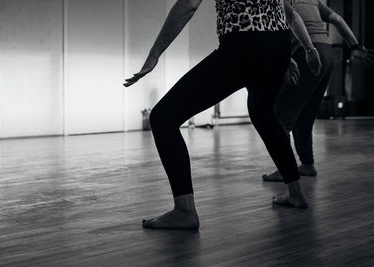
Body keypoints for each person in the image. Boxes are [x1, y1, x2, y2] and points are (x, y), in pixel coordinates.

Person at [124, 0, 309, 230]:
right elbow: (283, 10)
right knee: (262, 113)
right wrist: (275, 54)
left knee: (163, 117)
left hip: (244, 45)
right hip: (278, 42)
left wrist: (154, 55)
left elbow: (188, 6)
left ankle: (184, 211)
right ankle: (296, 193)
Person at [263, 0, 374, 182]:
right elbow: (337, 19)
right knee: (305, 115)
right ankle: (307, 164)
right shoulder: (312, 0)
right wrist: (355, 46)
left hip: (306, 51)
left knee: (280, 117)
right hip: (327, 52)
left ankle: (285, 171)